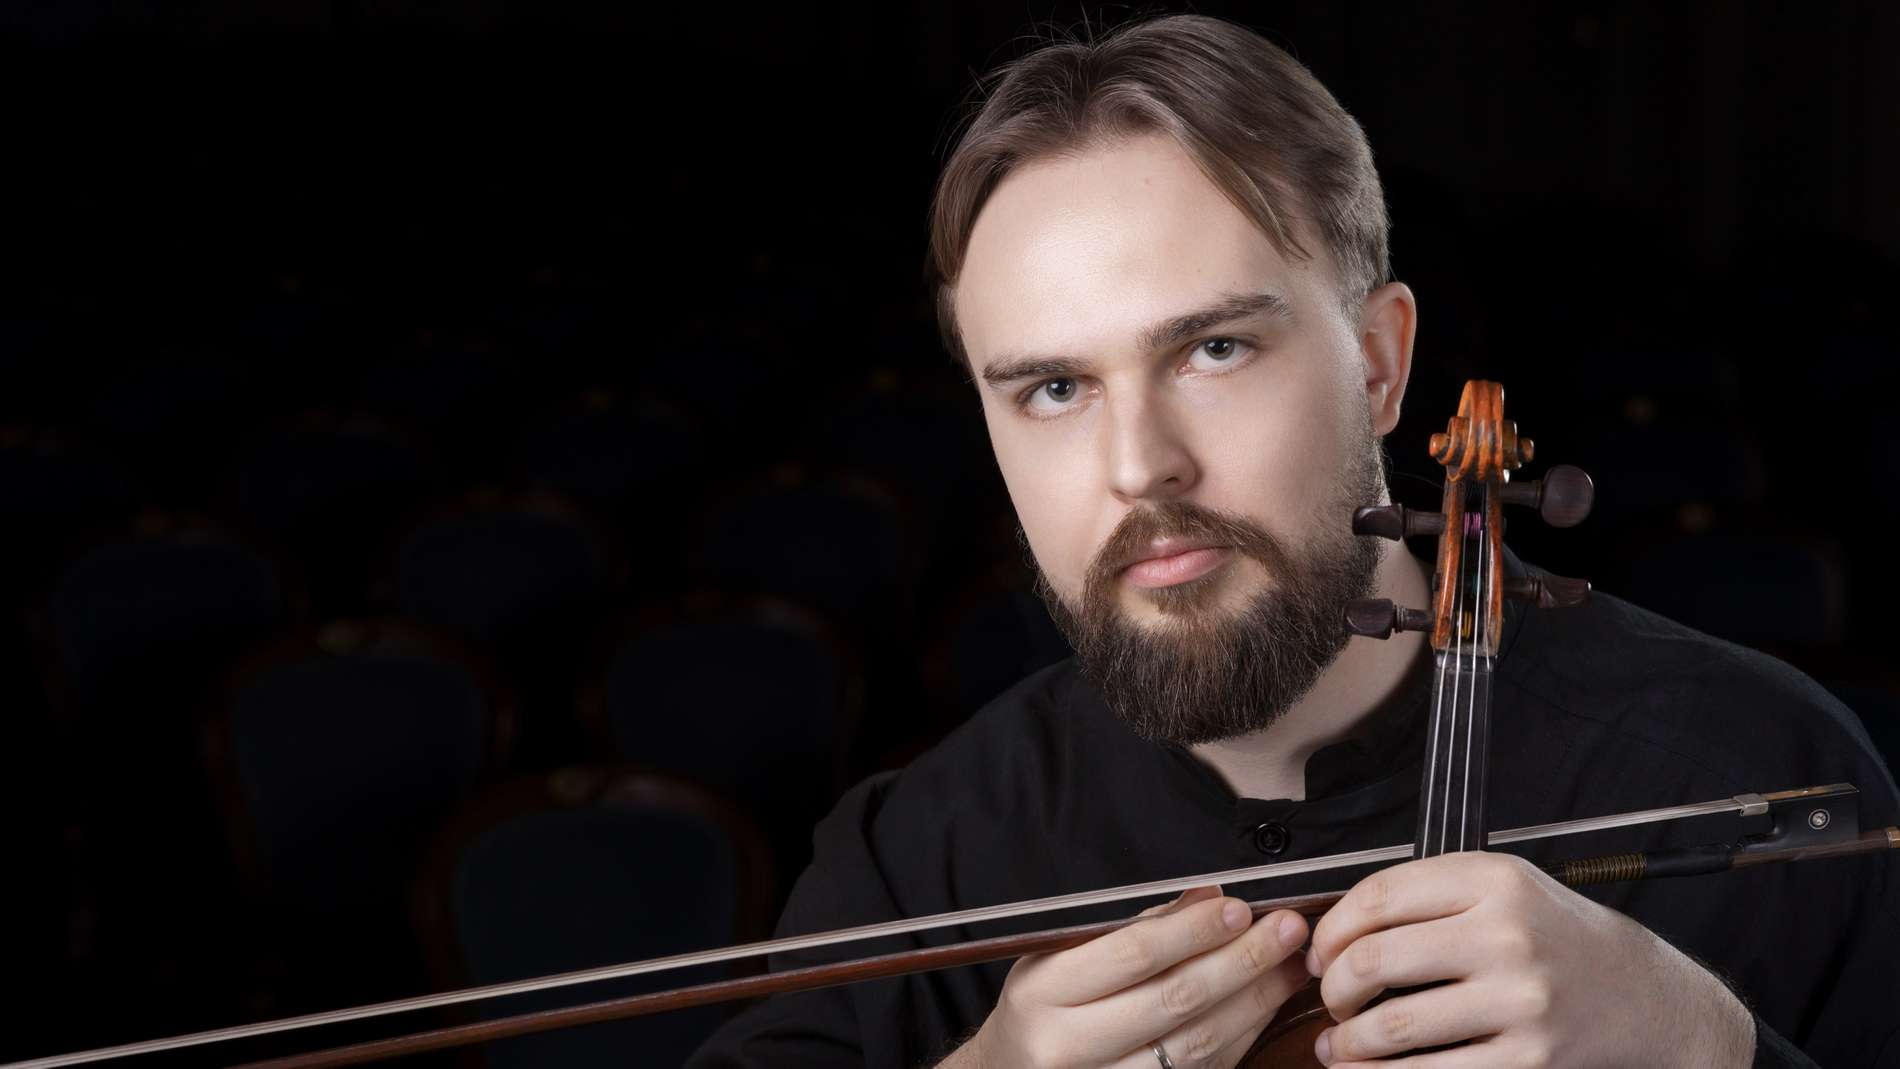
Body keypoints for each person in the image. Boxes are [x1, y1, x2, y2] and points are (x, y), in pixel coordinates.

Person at [688, 13, 1900, 1068]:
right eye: (1054, 389)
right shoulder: (917, 854)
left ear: (1377, 364)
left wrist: (1706, 1042)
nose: (1138, 464)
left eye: (1212, 349)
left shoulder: (1754, 772)